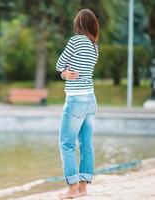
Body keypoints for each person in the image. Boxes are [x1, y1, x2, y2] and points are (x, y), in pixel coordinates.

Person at [56, 9, 99, 199]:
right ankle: (83, 187)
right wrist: (66, 73)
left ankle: (72, 188)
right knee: (86, 144)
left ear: (79, 24)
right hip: (91, 98)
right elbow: (80, 70)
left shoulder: (75, 41)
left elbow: (59, 64)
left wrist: (64, 73)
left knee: (66, 144)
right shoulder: (94, 45)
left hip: (76, 99)